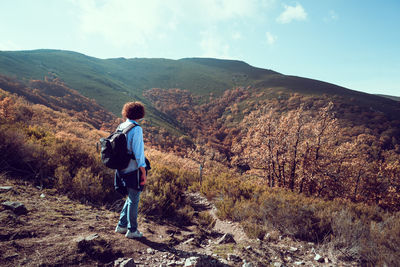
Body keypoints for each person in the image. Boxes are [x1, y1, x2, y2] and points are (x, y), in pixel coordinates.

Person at [114, 101, 146, 239]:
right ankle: (132, 230)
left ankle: (121, 226)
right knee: (134, 198)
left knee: (131, 197)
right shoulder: (136, 128)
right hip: (132, 168)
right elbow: (139, 152)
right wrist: (143, 170)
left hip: (120, 167)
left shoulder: (121, 126)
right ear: (140, 114)